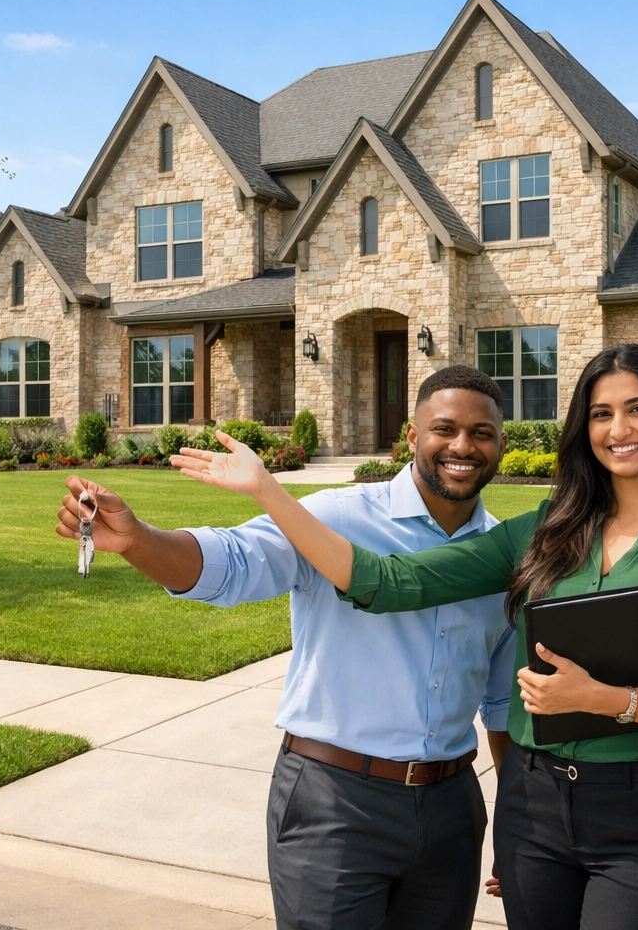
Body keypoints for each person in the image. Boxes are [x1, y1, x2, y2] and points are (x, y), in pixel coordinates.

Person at [172, 343, 638, 930]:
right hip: (535, 809)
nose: (618, 429)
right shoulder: (544, 532)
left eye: (637, 409)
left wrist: (604, 699)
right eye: (600, 413)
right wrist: (269, 491)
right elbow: (390, 582)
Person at [54, 365, 516, 930]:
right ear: (414, 437)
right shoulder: (335, 517)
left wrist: (516, 822)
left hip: (452, 810)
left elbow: (503, 703)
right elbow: (233, 562)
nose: (463, 446)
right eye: (445, 429)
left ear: (500, 445)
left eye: (482, 433)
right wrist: (138, 541)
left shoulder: (504, 558)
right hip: (336, 802)